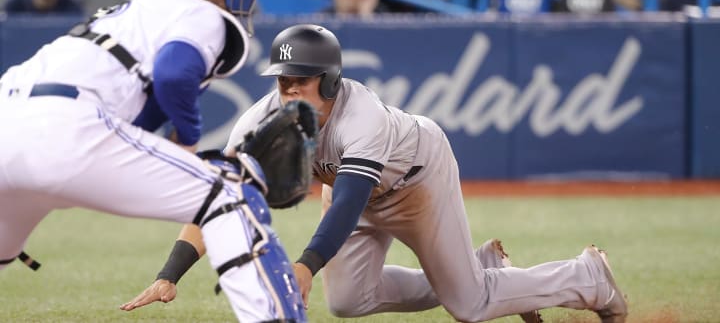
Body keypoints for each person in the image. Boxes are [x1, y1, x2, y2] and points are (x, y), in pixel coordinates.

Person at [124, 24, 629, 323]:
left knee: (470, 305)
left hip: (416, 182)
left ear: (331, 78)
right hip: (353, 194)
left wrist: (304, 266)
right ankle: (475, 265)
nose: (288, 92)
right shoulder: (262, 120)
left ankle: (588, 277)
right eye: (282, 82)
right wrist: (169, 275)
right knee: (347, 301)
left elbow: (347, 202)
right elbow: (221, 199)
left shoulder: (359, 116)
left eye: (300, 82)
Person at [0, 0, 307, 322]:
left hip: (10, 117)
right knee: (229, 195)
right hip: (66, 128)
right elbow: (174, 73)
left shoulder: (133, 13)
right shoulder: (199, 10)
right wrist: (187, 139)